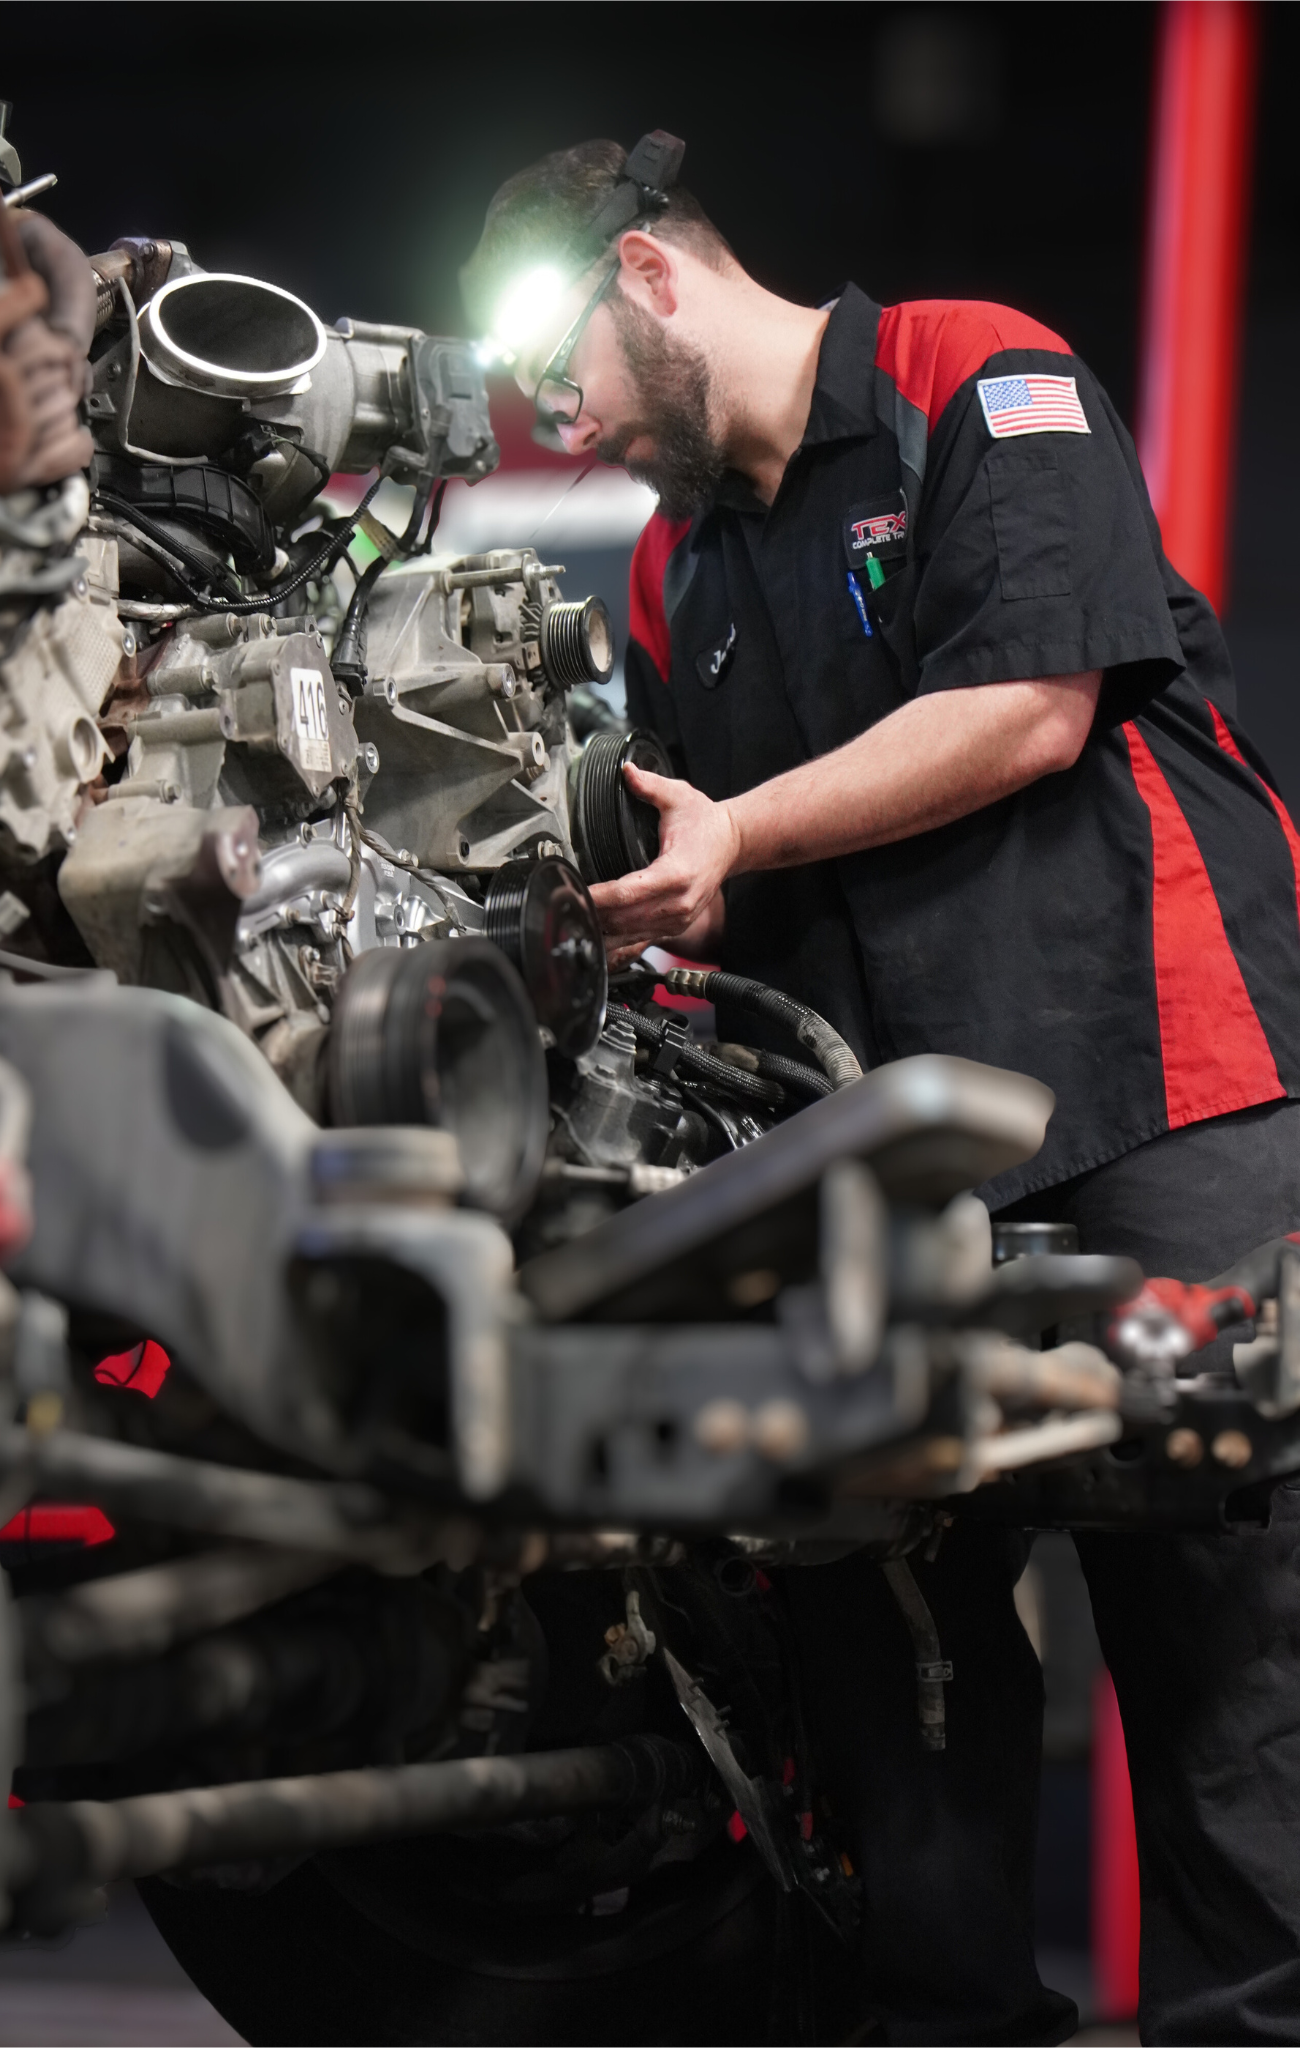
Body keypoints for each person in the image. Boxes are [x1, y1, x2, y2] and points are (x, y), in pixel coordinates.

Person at [462, 136, 1300, 2045]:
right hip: (887, 1162)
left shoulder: (969, 371)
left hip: (1155, 1092)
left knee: (1226, 1631)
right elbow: (696, 878)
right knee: (885, 1641)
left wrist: (736, 834)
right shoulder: (673, 566)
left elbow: (1032, 708)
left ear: (651, 277)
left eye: (559, 373)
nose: (565, 428)